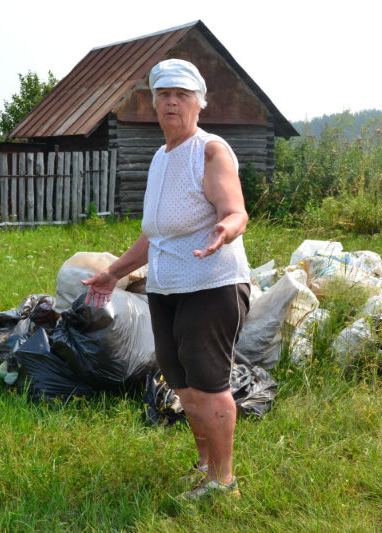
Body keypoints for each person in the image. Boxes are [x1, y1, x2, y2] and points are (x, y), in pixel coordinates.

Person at [82, 58, 250, 501]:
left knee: (210, 385)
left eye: (182, 95)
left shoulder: (210, 150)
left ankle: (223, 483)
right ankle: (203, 468)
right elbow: (153, 234)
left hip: (211, 286)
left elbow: (235, 210)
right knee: (182, 385)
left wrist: (225, 229)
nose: (171, 101)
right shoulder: (161, 157)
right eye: (163, 94)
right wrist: (113, 273)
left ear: (199, 104)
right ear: (153, 103)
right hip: (166, 288)